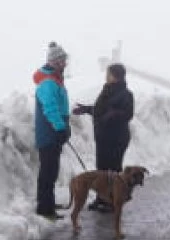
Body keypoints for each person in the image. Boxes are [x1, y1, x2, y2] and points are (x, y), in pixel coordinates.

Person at [73, 63, 135, 213]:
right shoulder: (107, 90)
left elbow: (128, 114)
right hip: (103, 139)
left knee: (112, 171)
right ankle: (102, 198)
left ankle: (113, 200)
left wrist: (113, 114)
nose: (106, 76)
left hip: (116, 139)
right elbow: (100, 110)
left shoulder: (126, 94)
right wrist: (86, 109)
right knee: (101, 170)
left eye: (108, 73)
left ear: (115, 76)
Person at [34, 42, 72, 220]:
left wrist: (64, 127)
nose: (65, 64)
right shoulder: (48, 83)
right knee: (48, 171)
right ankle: (44, 208)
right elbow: (50, 108)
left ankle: (48, 202)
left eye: (65, 60)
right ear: (54, 62)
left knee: (52, 169)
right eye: (62, 60)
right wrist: (60, 128)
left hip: (53, 133)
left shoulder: (55, 79)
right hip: (49, 134)